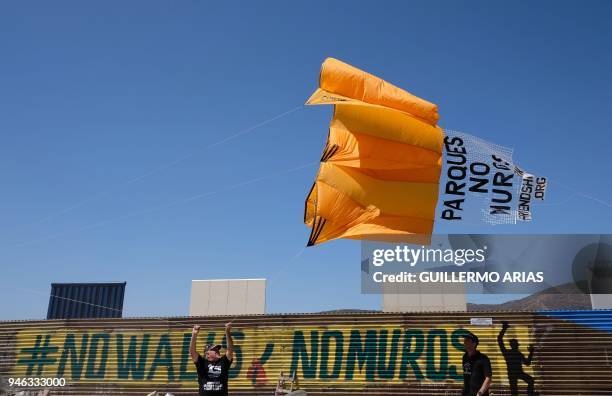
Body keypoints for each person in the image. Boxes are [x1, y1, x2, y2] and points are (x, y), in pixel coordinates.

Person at [189, 322, 234, 396]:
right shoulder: (202, 363)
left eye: (217, 349)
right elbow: (192, 351)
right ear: (207, 354)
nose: (217, 351)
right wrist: (194, 334)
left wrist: (227, 332)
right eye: (214, 350)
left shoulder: (223, 362)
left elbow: (230, 350)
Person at [498, 321, 537, 395]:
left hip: (513, 374)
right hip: (518, 373)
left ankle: (530, 394)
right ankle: (530, 394)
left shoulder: (507, 353)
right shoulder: (517, 354)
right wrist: (531, 352)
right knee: (530, 381)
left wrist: (504, 329)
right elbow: (527, 363)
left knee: (515, 392)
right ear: (516, 345)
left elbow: (499, 340)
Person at [462, 331, 492, 396]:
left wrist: (480, 393)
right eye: (464, 340)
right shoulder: (465, 357)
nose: (464, 342)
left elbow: (488, 378)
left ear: (474, 344)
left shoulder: (483, 359)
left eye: (467, 340)